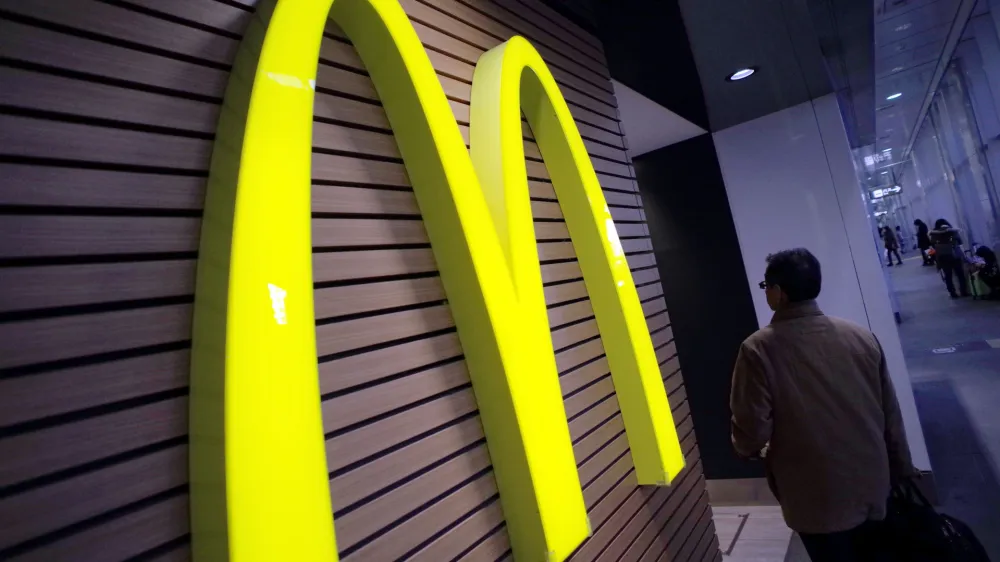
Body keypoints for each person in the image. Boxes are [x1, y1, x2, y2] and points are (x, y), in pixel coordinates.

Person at [731, 248, 914, 562]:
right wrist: (903, 468)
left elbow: (752, 427)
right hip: (873, 481)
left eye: (766, 286)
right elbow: (890, 413)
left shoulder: (758, 350)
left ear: (779, 292)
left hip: (814, 495)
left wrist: (748, 449)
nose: (766, 292)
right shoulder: (860, 337)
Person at [929, 219, 969, 298]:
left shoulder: (934, 233)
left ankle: (952, 293)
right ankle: (963, 291)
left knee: (948, 276)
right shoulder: (952, 231)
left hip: (943, 257)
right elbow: (960, 242)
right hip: (954, 255)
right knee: (960, 274)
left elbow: (932, 245)